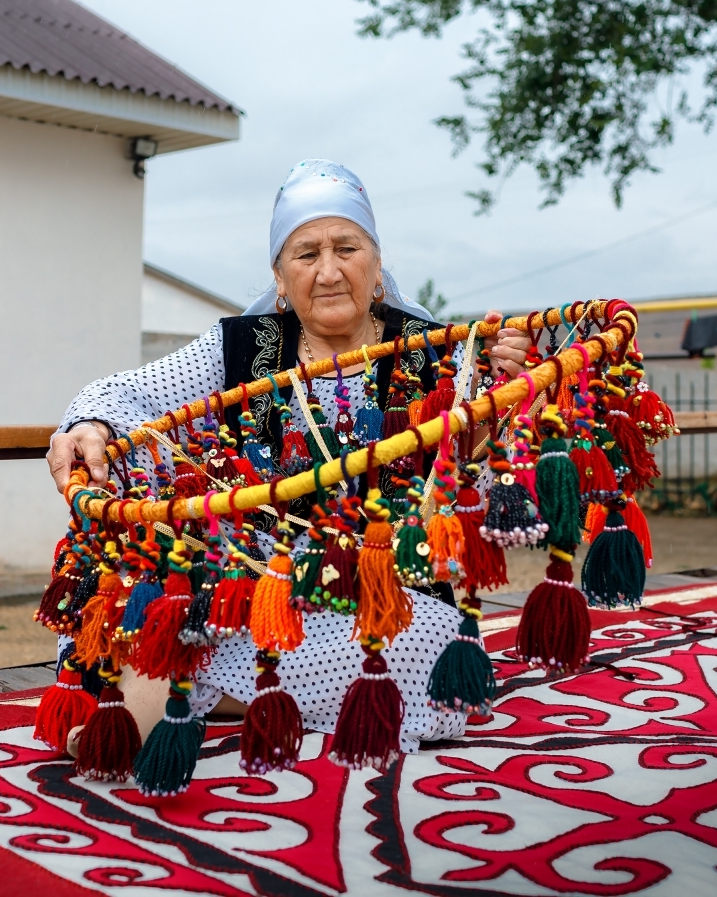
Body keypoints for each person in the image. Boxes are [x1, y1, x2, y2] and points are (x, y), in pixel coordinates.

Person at [47, 159, 531, 753]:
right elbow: (129, 392)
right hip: (256, 592)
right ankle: (220, 687)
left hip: (380, 605)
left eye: (346, 248)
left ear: (377, 266)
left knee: (438, 655)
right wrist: (88, 424)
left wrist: (506, 387)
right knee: (158, 593)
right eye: (305, 255)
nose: (328, 272)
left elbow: (486, 470)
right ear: (280, 277)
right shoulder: (241, 348)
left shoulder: (437, 355)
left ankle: (191, 688)